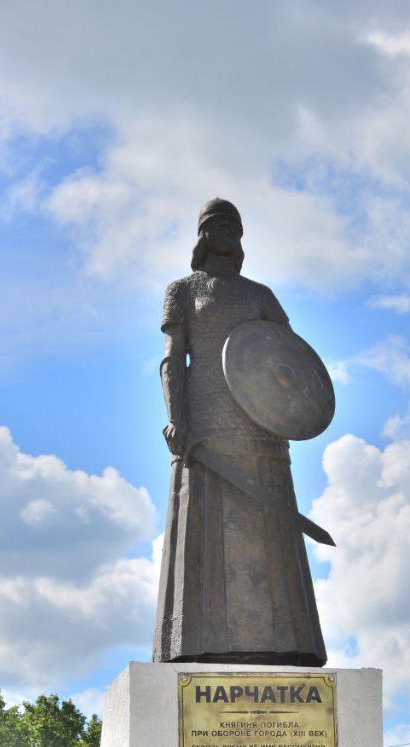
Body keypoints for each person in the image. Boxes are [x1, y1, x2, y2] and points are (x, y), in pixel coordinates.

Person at [152, 198, 327, 667]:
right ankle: (195, 645)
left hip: (261, 429)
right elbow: (174, 359)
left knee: (269, 538)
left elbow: (286, 357)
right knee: (204, 534)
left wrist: (288, 413)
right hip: (204, 430)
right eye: (218, 225)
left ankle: (287, 647)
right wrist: (178, 418)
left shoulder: (260, 294)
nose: (228, 232)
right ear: (203, 234)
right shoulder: (184, 290)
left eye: (235, 226)